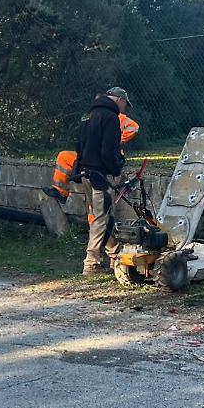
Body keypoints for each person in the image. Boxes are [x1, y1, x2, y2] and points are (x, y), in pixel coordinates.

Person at [76, 86, 131, 275]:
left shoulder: (88, 116)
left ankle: (114, 254)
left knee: (101, 216)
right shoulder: (110, 118)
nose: (125, 109)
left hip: (85, 173)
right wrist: (116, 167)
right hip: (100, 175)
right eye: (125, 104)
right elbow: (109, 149)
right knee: (102, 218)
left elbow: (79, 144)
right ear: (119, 100)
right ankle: (91, 264)